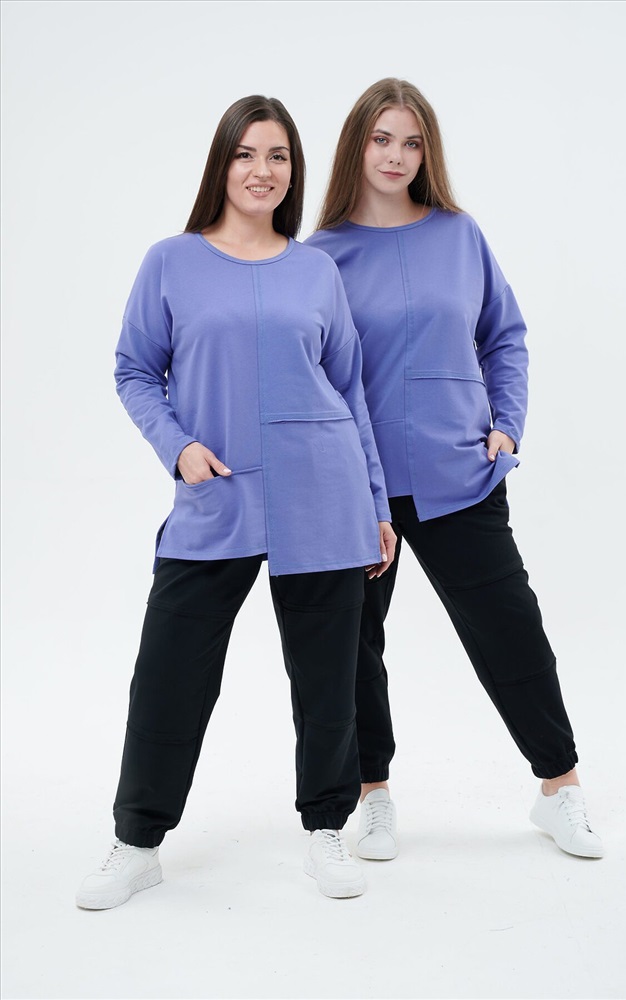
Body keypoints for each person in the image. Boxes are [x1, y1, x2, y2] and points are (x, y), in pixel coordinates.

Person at [76, 95, 397, 909]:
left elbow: (350, 390)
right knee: (170, 675)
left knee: (327, 682)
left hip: (322, 494)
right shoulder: (170, 262)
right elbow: (133, 370)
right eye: (247, 154)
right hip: (214, 497)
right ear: (221, 164)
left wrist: (374, 503)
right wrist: (177, 446)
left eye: (278, 156)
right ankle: (136, 842)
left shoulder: (315, 270)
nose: (263, 170)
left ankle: (326, 830)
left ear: (293, 171)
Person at [306, 78, 603, 862]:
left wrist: (506, 425)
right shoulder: (319, 256)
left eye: (411, 142)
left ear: (426, 152)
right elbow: (314, 374)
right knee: (355, 647)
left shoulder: (459, 235)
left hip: (457, 473)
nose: (395, 156)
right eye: (381, 139)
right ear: (356, 144)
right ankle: (372, 794)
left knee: (510, 629)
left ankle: (559, 788)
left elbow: (503, 335)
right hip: (357, 486)